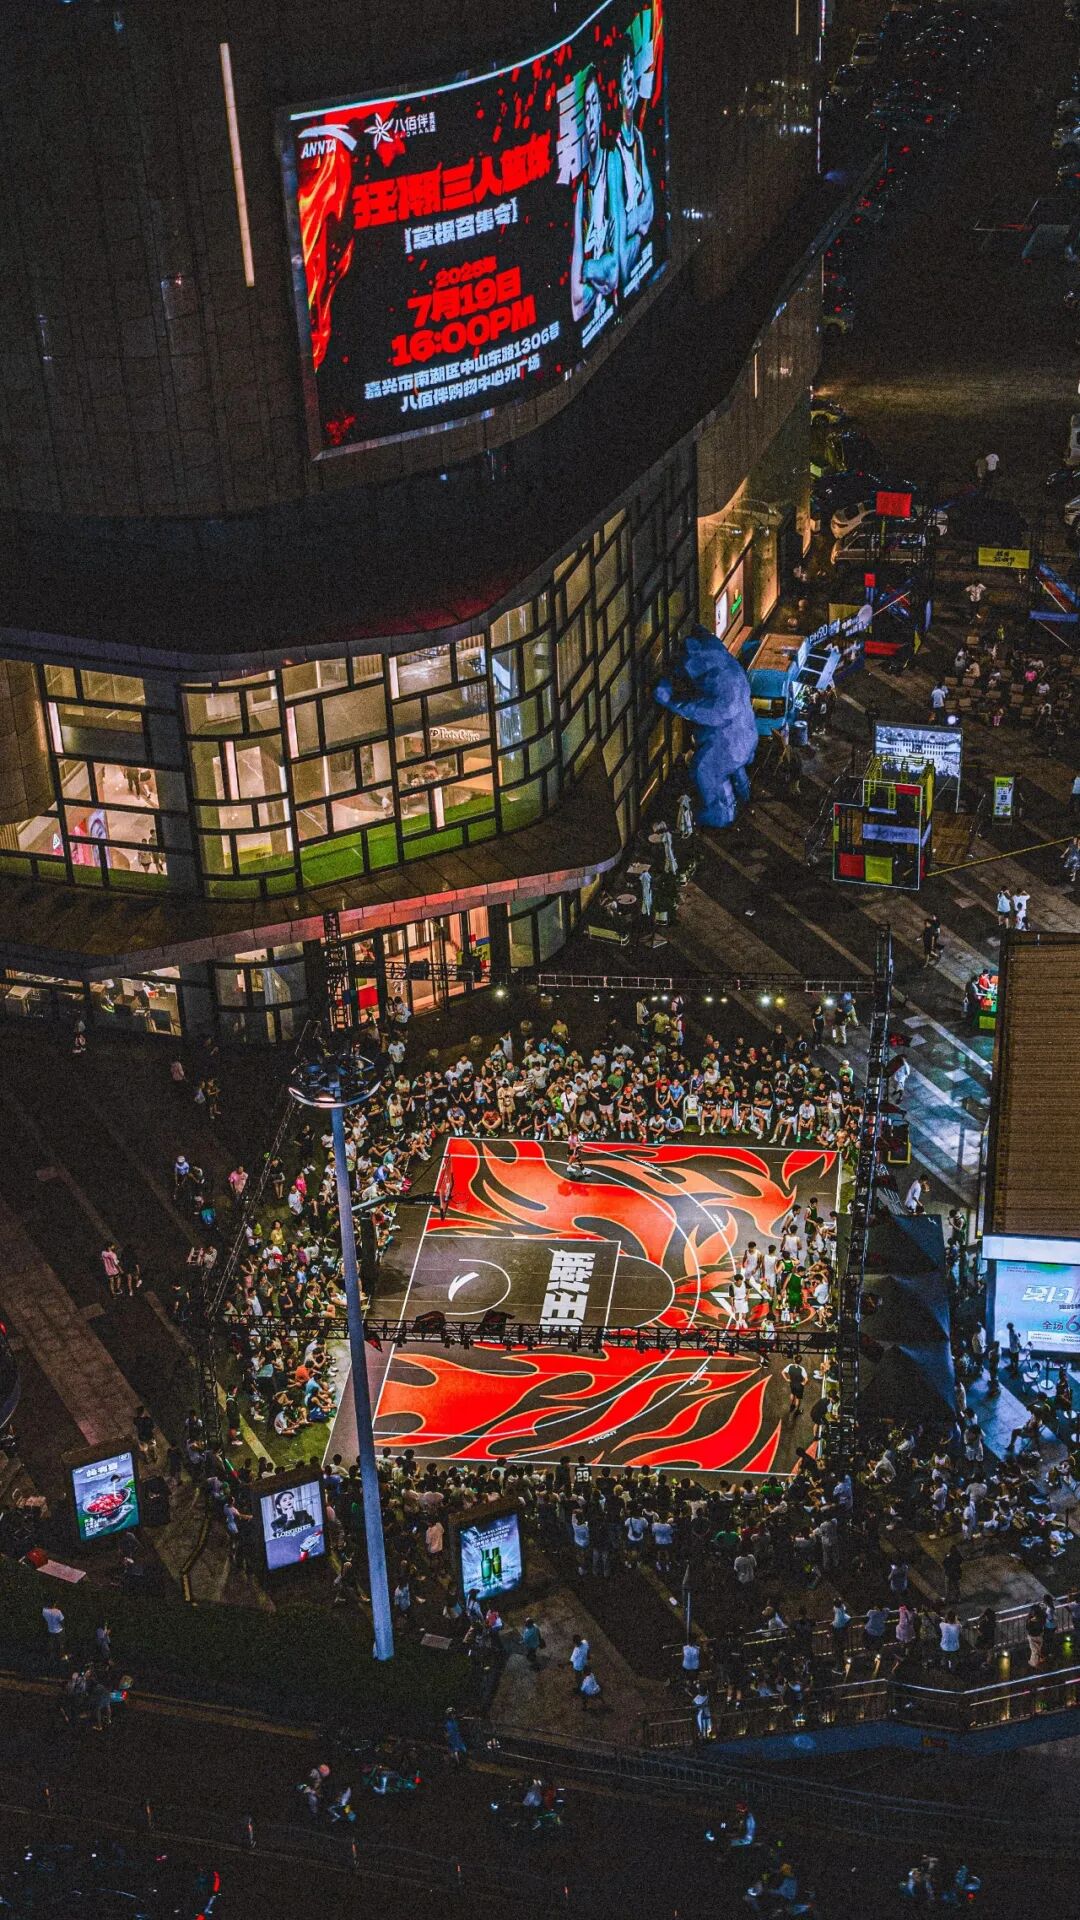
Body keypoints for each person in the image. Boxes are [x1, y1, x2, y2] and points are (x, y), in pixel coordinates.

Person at [570, 65, 623, 326]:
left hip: (619, 308)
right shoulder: (582, 194)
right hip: (598, 325)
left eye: (594, 105)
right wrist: (598, 270)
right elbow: (576, 302)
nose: (590, 117)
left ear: (601, 110)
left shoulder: (612, 163)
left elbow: (615, 271)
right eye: (586, 109)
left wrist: (588, 269)